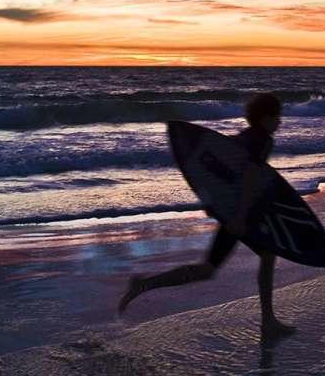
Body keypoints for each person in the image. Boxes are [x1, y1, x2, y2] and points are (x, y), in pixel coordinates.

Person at [119, 92, 296, 340]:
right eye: (277, 117)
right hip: (239, 214)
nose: (280, 122)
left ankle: (144, 284)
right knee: (260, 256)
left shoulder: (243, 138)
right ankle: (268, 322)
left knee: (210, 269)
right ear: (266, 118)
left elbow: (218, 172)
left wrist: (214, 204)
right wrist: (240, 217)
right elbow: (249, 177)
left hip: (230, 211)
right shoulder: (262, 140)